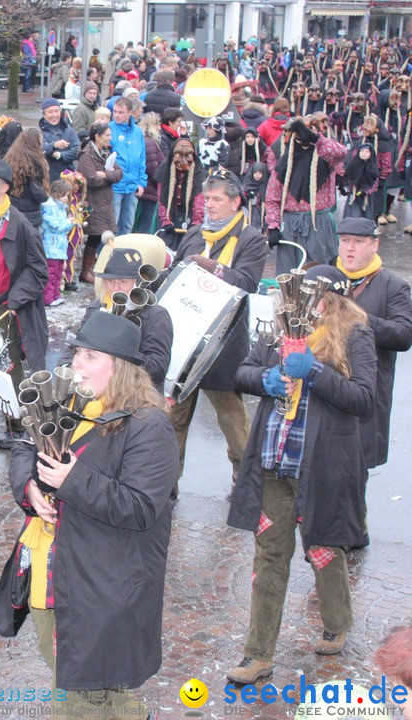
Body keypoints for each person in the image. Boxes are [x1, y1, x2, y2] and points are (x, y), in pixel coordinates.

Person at [0, 311, 178, 718]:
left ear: (122, 369)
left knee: (77, 693)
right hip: (53, 571)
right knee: (80, 677)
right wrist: (29, 485)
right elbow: (26, 445)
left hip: (101, 588)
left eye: (91, 356)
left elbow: (141, 507)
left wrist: (71, 480)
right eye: (78, 352)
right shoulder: (70, 400)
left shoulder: (150, 426)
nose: (76, 362)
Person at [225, 265, 376, 684]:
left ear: (332, 300)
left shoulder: (355, 336)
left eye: (315, 295)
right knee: (269, 558)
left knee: (325, 551)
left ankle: (337, 621)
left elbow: (364, 399)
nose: (305, 302)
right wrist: (267, 379)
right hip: (273, 465)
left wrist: (316, 372)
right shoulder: (279, 328)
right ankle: (258, 655)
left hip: (323, 469)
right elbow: (242, 373)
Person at [163, 170, 267, 485]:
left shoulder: (251, 238)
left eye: (217, 199)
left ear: (236, 202)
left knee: (231, 416)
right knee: (174, 415)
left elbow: (248, 282)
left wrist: (214, 268)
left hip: (224, 341)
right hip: (186, 338)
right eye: (207, 198)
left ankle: (245, 473)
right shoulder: (195, 233)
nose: (210, 204)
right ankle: (167, 478)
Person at [0, 157, 48, 448]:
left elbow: (38, 270)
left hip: (5, 305)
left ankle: (18, 426)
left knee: (7, 367)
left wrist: (15, 302)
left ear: (4, 188)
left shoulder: (20, 224)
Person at [333, 216, 412, 472]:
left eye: (358, 242)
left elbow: (403, 335)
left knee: (355, 475)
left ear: (374, 245)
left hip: (367, 391)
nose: (350, 248)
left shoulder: (394, 286)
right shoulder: (326, 277)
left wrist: (364, 319)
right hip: (326, 386)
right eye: (345, 241)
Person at [81, 247, 172, 389]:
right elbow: (76, 346)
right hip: (98, 388)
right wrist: (67, 365)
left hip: (135, 394)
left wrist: (119, 353)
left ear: (137, 282)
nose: (115, 287)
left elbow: (158, 368)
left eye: (123, 281)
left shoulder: (156, 315)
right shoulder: (96, 307)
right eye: (110, 281)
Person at [265, 116, 345, 276]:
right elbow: (273, 197)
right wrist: (273, 226)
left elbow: (341, 152)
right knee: (288, 274)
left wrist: (316, 139)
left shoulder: (326, 156)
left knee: (320, 273)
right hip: (290, 224)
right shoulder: (284, 158)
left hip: (319, 224)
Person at [76, 122, 123, 283]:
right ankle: (85, 270)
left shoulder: (106, 151)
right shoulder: (86, 155)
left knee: (102, 235)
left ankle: (94, 268)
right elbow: (92, 180)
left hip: (105, 201)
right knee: (95, 236)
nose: (110, 138)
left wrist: (104, 175)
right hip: (93, 201)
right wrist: (107, 176)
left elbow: (119, 174)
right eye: (107, 135)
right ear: (97, 137)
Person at [155, 137, 204, 250]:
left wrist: (196, 222)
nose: (182, 160)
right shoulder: (165, 170)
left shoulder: (198, 172)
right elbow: (161, 197)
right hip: (168, 215)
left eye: (187, 155)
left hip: (190, 217)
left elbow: (199, 199)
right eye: (178, 155)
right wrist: (166, 221)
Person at [110, 98, 147, 237]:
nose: (117, 115)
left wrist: (141, 182)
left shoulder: (137, 131)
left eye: (121, 112)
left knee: (127, 226)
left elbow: (142, 158)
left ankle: (122, 256)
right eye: (115, 112)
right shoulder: (109, 129)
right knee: (112, 225)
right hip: (115, 186)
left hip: (132, 186)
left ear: (130, 113)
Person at [40, 180, 73, 307]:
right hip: (51, 246)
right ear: (55, 194)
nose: (66, 198)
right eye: (63, 195)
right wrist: (69, 222)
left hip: (59, 246)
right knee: (51, 273)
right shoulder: (49, 208)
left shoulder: (61, 208)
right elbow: (56, 226)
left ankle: (56, 294)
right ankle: (47, 298)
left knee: (59, 272)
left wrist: (69, 223)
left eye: (67, 196)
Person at [39, 99, 80, 181]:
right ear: (43, 114)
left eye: (57, 111)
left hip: (66, 177)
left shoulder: (69, 130)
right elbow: (38, 150)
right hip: (46, 177)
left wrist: (59, 155)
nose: (54, 115)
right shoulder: (38, 131)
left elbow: (78, 150)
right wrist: (54, 145)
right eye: (50, 112)